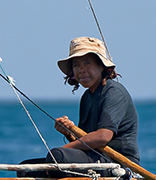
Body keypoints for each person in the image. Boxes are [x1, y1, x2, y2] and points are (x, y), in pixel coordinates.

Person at [22, 37, 138, 170]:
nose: (81, 70)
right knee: (26, 168)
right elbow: (87, 140)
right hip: (94, 157)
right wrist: (68, 133)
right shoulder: (87, 97)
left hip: (118, 162)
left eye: (87, 63)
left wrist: (64, 149)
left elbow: (103, 137)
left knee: (58, 155)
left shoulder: (113, 92)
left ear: (101, 66)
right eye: (76, 65)